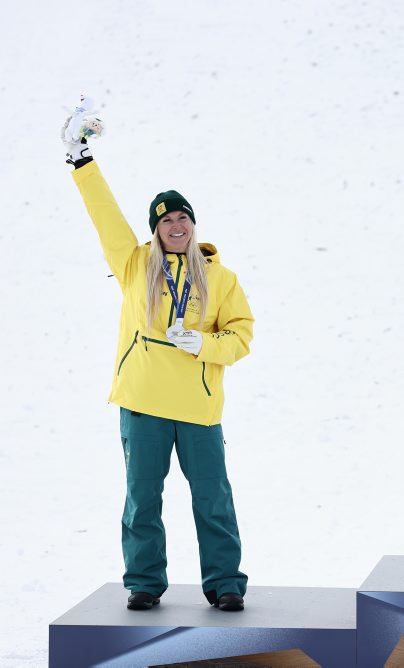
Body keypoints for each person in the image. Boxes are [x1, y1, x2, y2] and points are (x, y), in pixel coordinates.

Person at [63, 115, 254, 612]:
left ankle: (226, 583)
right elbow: (105, 215)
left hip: (199, 407)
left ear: (194, 225)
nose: (176, 226)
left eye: (183, 218)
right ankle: (144, 581)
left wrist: (205, 346)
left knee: (213, 501)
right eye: (166, 220)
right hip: (144, 402)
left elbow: (241, 336)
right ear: (155, 229)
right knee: (142, 499)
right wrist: (82, 162)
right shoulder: (134, 266)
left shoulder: (220, 277)